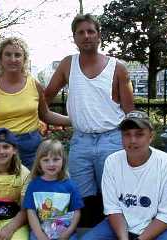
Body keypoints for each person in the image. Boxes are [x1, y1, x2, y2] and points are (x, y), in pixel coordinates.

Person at [44, 13, 134, 225]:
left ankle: (116, 234)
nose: (86, 36)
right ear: (74, 38)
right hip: (81, 141)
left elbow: (130, 112)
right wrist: (70, 120)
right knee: (82, 198)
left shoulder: (117, 68)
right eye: (81, 32)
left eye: (91, 31)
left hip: (112, 140)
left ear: (99, 35)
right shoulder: (68, 65)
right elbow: (45, 99)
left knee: (113, 195)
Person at [81, 110, 167, 240]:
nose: (132, 140)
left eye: (139, 134)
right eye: (127, 134)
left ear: (151, 136)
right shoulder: (112, 162)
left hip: (162, 228)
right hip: (123, 224)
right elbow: (113, 209)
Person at [0, 37, 70, 175]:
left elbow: (45, 114)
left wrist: (73, 120)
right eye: (8, 54)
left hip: (32, 149)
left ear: (24, 59)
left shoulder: (34, 85)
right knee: (5, 192)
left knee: (33, 192)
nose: (13, 59)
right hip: (2, 148)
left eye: (18, 55)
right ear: (0, 58)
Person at [23, 139, 84, 240]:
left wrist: (68, 233)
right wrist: (40, 235)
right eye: (46, 160)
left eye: (56, 159)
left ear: (63, 160)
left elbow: (76, 212)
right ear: (39, 163)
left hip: (65, 232)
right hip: (40, 232)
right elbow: (31, 212)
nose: (51, 164)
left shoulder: (70, 186)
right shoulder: (33, 186)